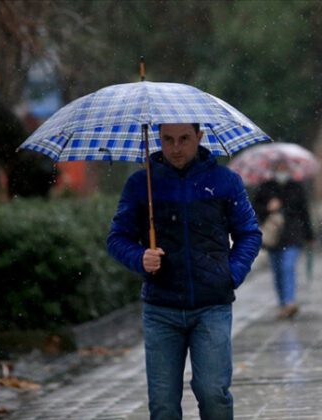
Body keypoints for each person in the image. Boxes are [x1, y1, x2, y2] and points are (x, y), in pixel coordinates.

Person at [107, 123, 262, 419]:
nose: (176, 148)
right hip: (161, 308)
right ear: (157, 139)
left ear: (199, 137)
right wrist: (140, 257)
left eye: (184, 139)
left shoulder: (225, 181)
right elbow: (117, 238)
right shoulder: (142, 184)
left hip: (211, 306)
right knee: (163, 404)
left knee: (213, 393)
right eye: (167, 139)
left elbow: (249, 233)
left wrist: (231, 274)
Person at [253, 160, 314, 319]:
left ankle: (289, 302)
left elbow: (304, 212)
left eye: (284, 168)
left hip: (293, 235)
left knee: (288, 267)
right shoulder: (265, 188)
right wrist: (268, 208)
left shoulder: (296, 187)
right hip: (273, 237)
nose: (282, 171)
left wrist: (309, 235)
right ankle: (283, 303)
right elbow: (254, 209)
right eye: (279, 168)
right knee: (278, 271)